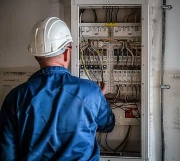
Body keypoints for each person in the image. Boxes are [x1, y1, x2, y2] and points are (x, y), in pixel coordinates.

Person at [0, 17, 115, 161]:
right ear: (67, 52)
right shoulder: (91, 92)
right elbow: (108, 125)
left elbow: (6, 154)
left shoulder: (15, 97)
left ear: (36, 54)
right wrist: (98, 98)